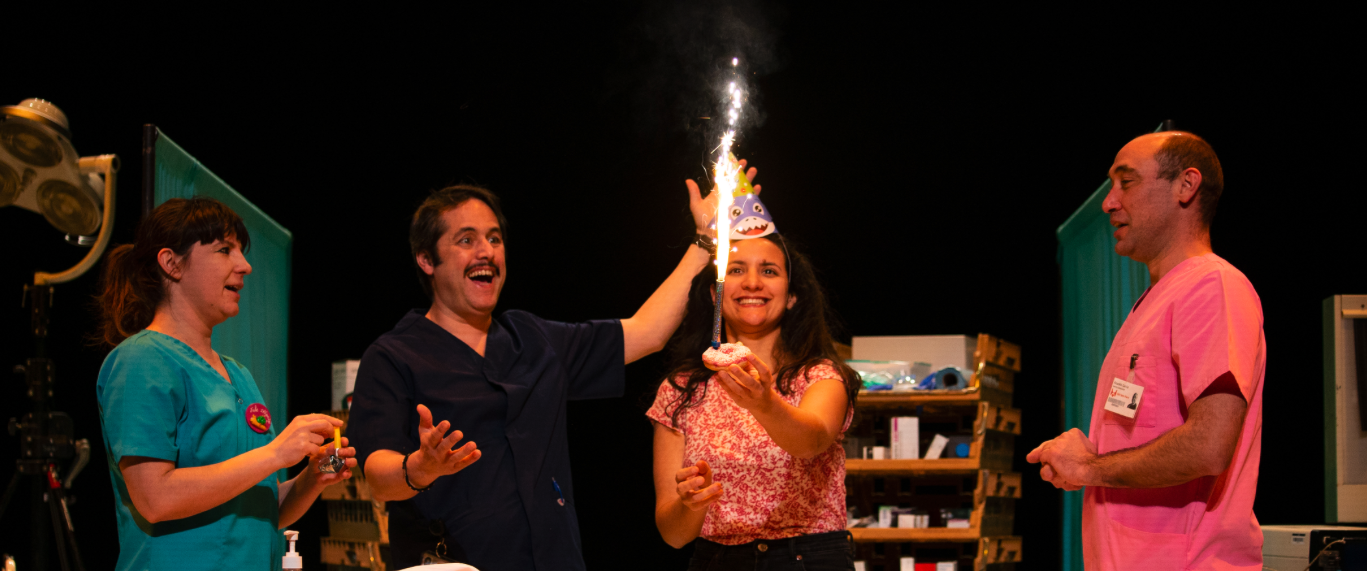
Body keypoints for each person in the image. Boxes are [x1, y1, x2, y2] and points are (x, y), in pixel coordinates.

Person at [348, 175, 732, 570]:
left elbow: (647, 332)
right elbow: (377, 475)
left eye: (494, 239)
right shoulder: (393, 357)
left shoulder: (532, 338)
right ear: (427, 260)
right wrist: (420, 467)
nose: (486, 252)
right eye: (466, 240)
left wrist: (705, 240)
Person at [1027, 132, 1264, 570]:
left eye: (1127, 182)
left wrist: (1090, 467)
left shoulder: (1212, 286)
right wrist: (1089, 454)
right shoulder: (1152, 301)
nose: (1109, 203)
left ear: (1186, 186)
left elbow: (1209, 445)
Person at [95, 197, 355, 571]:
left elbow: (260, 511)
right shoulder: (142, 359)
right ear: (171, 264)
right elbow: (155, 499)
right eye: (224, 250)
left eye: (240, 252)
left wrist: (313, 477)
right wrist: (276, 453)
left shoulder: (239, 374)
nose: (245, 266)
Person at [647, 174, 860, 570]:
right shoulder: (680, 390)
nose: (751, 283)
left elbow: (811, 442)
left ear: (792, 295)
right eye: (737, 269)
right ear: (714, 293)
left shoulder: (820, 376)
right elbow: (673, 535)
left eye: (769, 271)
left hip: (808, 560)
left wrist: (764, 403)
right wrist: (692, 504)